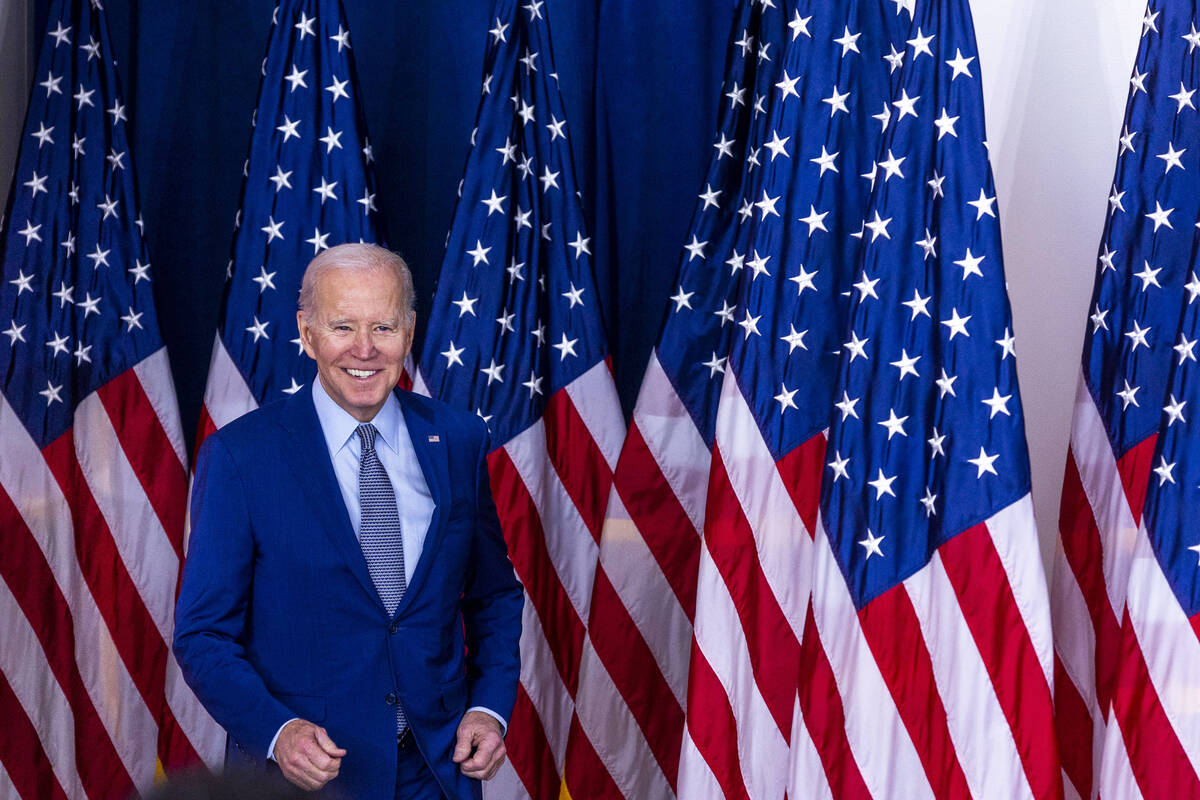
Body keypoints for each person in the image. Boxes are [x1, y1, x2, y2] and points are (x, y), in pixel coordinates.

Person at [174, 243, 523, 799]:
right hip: (312, 779)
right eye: (342, 326)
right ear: (307, 332)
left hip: (437, 773)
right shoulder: (242, 458)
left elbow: (495, 596)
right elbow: (203, 634)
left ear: (409, 331)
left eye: (383, 327)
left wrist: (488, 708)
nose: (364, 349)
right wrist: (278, 731)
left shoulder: (457, 439)